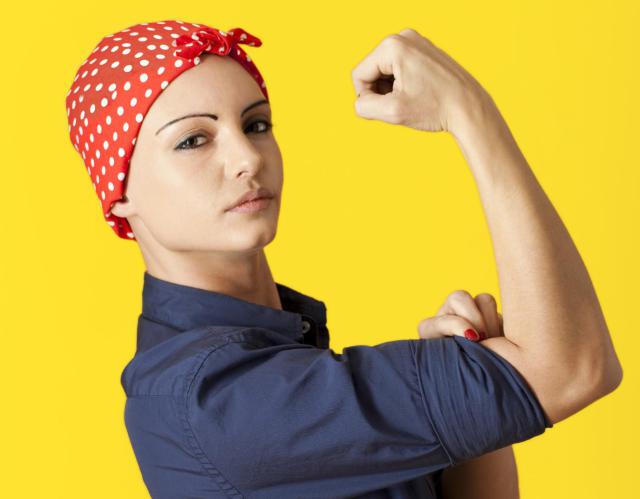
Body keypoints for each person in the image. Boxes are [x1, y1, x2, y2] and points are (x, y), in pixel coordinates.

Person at [65, 20, 623, 499]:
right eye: (193, 140)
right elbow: (573, 370)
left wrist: (469, 400)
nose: (247, 158)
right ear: (119, 193)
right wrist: (470, 112)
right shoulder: (215, 399)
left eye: (256, 125)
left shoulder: (278, 351)